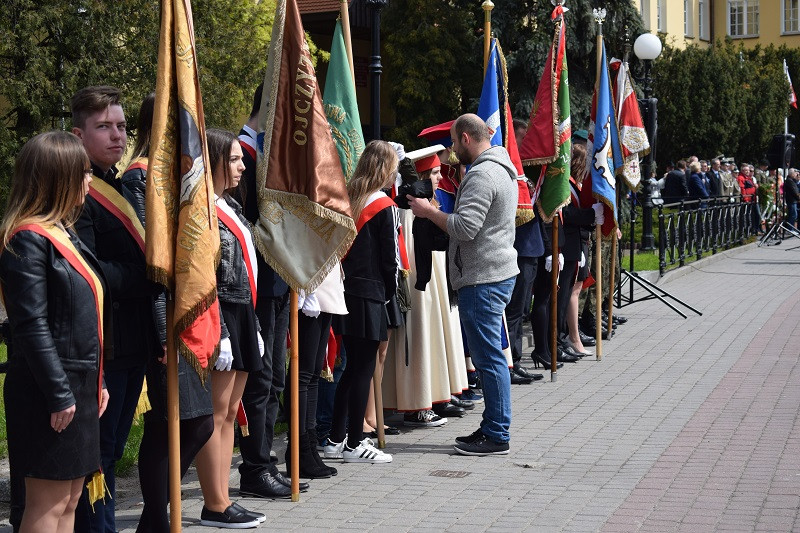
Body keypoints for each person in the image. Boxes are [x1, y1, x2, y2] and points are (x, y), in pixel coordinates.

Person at [0, 131, 109, 533]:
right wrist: (60, 393)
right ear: (58, 177)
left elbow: (84, 317)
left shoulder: (63, 232)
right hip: (47, 390)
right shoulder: (27, 239)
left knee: (70, 499)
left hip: (76, 384)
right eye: (83, 172)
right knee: (48, 504)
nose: (90, 179)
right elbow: (32, 325)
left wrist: (97, 381)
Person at [71, 85, 158, 533]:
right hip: (104, 345)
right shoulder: (79, 193)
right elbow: (86, 271)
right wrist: (144, 275)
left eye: (122, 126)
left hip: (131, 340)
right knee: (99, 455)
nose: (117, 135)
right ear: (77, 134)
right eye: (104, 126)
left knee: (113, 449)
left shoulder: (115, 184)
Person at [128, 95, 215, 533]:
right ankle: (155, 517)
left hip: (186, 317)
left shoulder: (180, 177)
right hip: (164, 322)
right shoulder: (139, 178)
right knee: (170, 424)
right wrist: (164, 332)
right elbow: (155, 264)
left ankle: (154, 516)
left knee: (196, 424)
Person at [408, 113, 519, 456]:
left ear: (467, 138)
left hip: (483, 277)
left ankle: (497, 434)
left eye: (455, 142)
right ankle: (492, 426)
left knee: (489, 360)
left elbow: (465, 228)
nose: (453, 149)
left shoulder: (482, 175)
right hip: (492, 273)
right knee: (490, 358)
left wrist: (428, 212)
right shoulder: (499, 167)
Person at [194, 129, 265, 528]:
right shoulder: (203, 208)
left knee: (229, 413)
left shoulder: (230, 205)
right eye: (235, 159)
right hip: (220, 313)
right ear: (215, 161)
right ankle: (214, 503)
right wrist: (220, 330)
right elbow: (207, 276)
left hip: (242, 313)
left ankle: (223, 497)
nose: (242, 167)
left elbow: (247, 269)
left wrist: (253, 325)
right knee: (217, 412)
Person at [235, 85, 302, 499]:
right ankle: (254, 467)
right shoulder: (242, 155)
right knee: (259, 381)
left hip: (277, 281)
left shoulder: (269, 155)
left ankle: (265, 462)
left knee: (275, 377)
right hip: (256, 285)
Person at [322, 140, 398, 464]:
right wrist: (391, 294)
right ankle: (354, 442)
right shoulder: (384, 205)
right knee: (362, 371)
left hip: (345, 291)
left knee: (351, 370)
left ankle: (334, 439)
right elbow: (391, 259)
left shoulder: (350, 199)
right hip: (371, 295)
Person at [284, 263, 347, 478]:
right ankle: (298, 449)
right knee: (302, 374)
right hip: (309, 279)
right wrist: (306, 289)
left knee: (312, 375)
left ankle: (309, 446)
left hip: (325, 282)